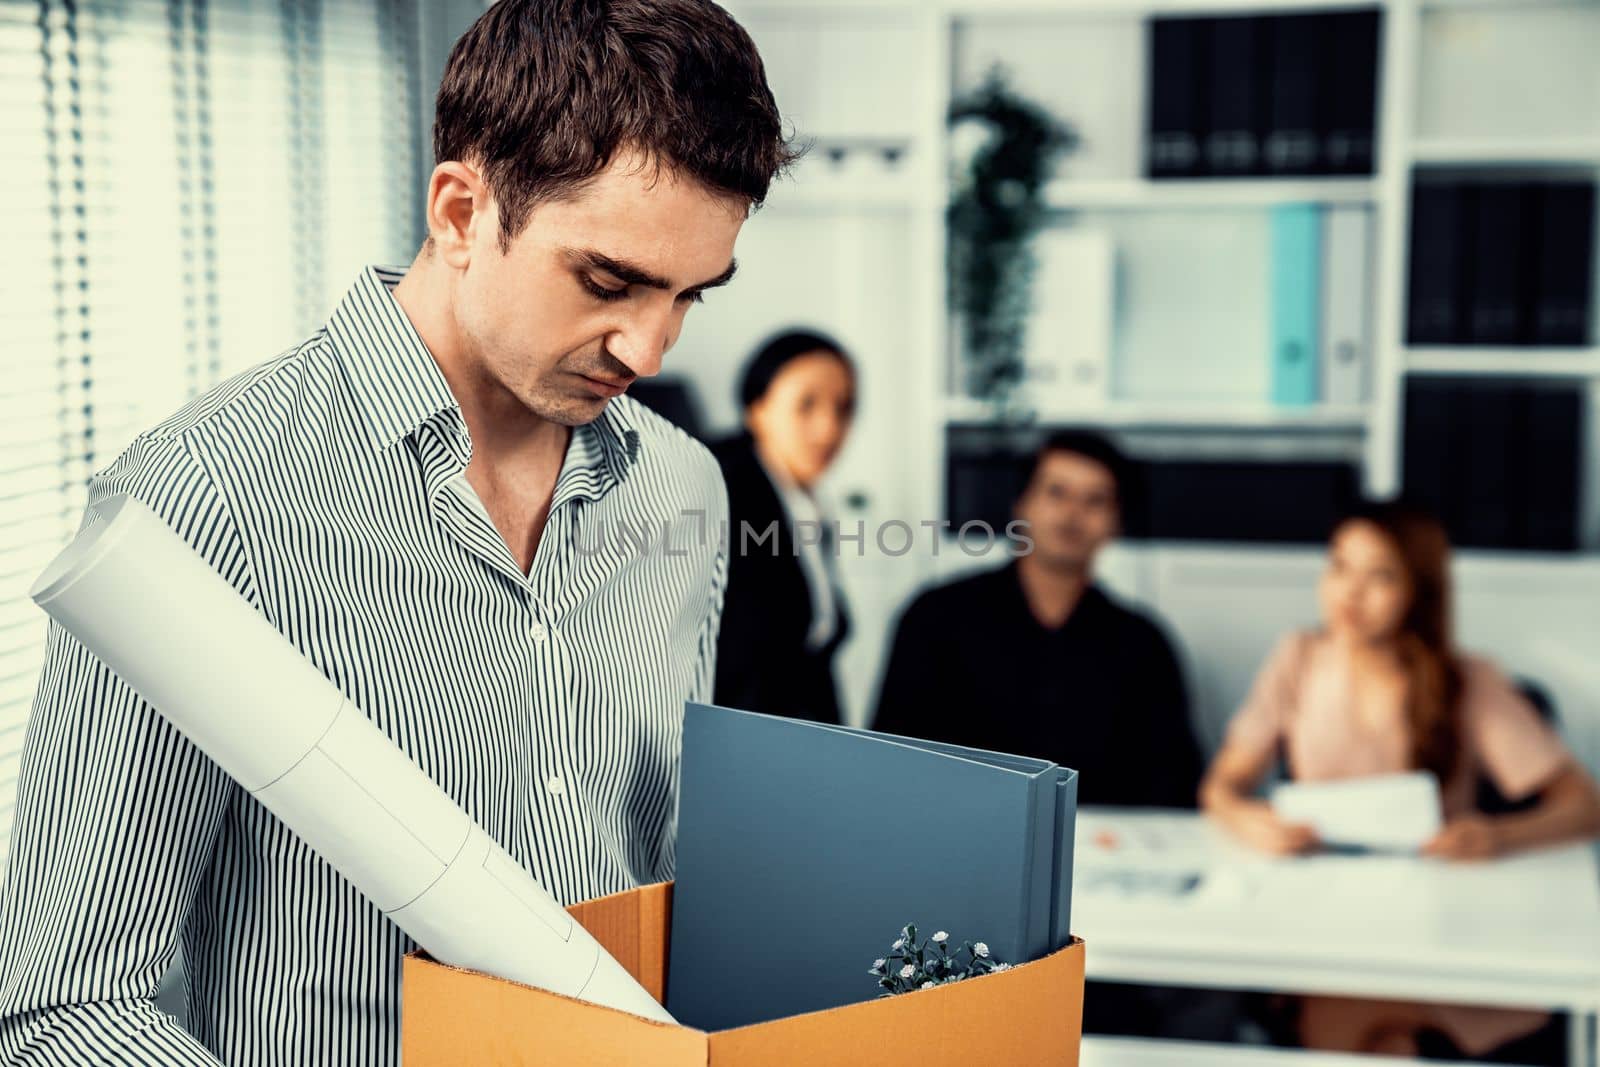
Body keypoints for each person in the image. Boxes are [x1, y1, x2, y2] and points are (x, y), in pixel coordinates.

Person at [0, 3, 795, 1064]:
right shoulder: (202, 500)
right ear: (461, 212)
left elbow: (663, 880)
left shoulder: (683, 489)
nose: (648, 347)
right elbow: (68, 1005)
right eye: (608, 281)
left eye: (690, 295)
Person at [1201, 499, 1600, 1060]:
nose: (1351, 592)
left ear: (1419, 590)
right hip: (1325, 920)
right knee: (1369, 1030)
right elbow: (1220, 788)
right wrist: (1252, 821)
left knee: (1380, 1034)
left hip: (1436, 921)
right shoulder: (1298, 659)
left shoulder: (1466, 679)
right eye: (1340, 566)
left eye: (1380, 575)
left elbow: (1583, 804)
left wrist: (1497, 834)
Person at [873, 430, 1203, 808]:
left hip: (1100, 846)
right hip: (959, 836)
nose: (1072, 513)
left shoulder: (1144, 644)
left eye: (1095, 500)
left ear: (1117, 523)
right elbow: (891, 760)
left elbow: (1173, 780)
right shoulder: (935, 619)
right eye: (1056, 492)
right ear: (1022, 504)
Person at [712, 330, 856, 725]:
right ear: (756, 407)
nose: (829, 428)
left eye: (844, 408)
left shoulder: (803, 500)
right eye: (806, 404)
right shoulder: (719, 491)